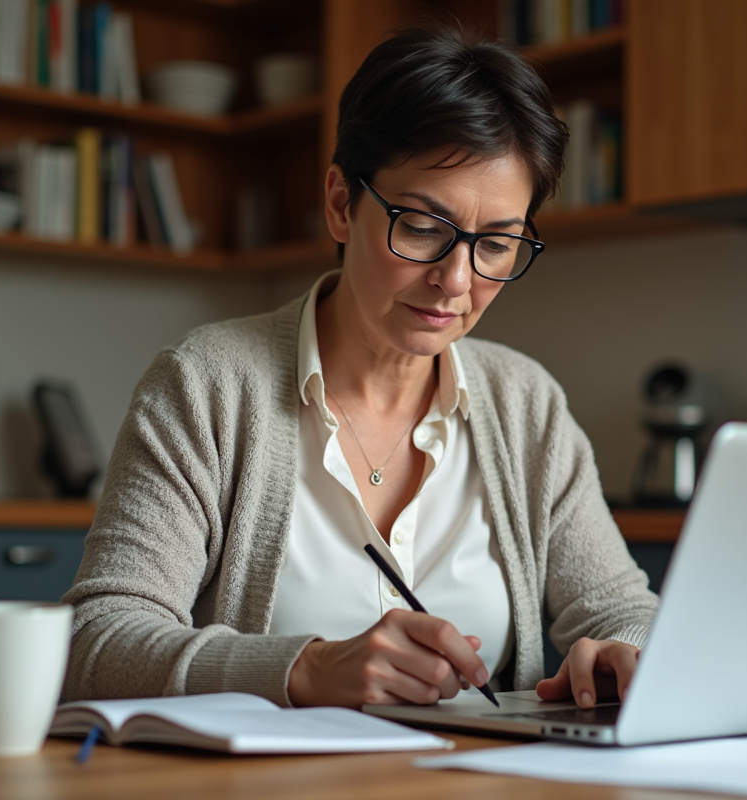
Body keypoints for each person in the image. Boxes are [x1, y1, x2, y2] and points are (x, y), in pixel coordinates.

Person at [62, 26, 657, 711]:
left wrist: (624, 650)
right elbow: (95, 641)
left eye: (496, 244)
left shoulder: (526, 405)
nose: (456, 280)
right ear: (342, 204)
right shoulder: (207, 386)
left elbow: (622, 609)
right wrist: (305, 670)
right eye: (424, 228)